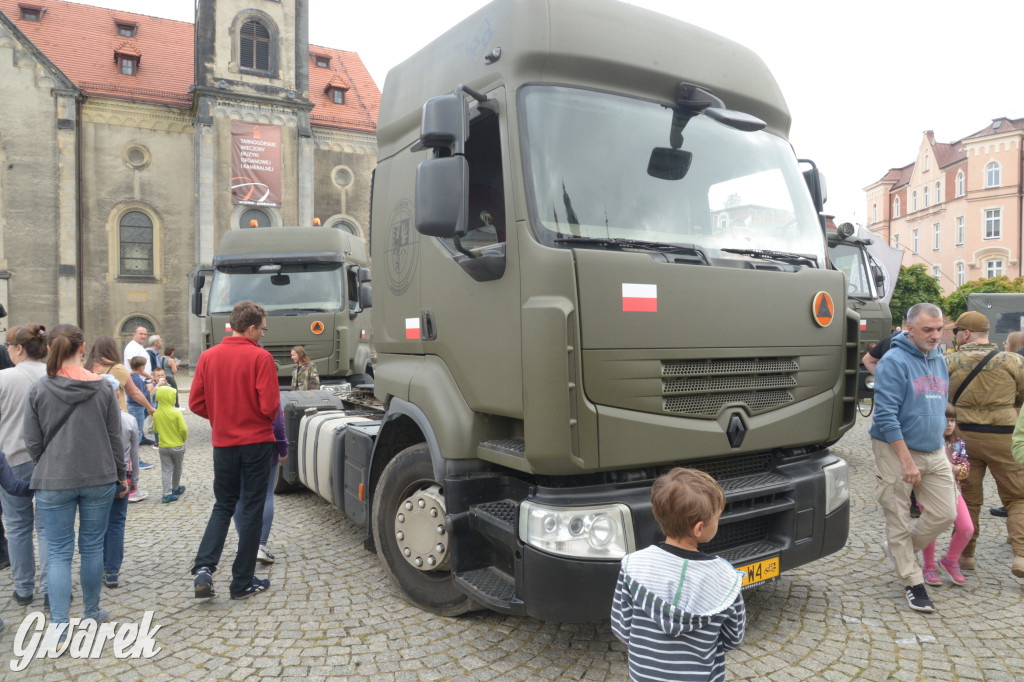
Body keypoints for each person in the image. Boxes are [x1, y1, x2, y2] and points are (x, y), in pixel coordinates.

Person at [24, 324, 125, 632]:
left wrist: (50, 464)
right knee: (92, 547)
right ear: (83, 348)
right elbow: (114, 436)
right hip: (99, 477)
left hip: (54, 479)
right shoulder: (104, 387)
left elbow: (32, 441)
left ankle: (58, 625)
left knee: (58, 552)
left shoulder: (40, 388)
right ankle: (91, 612)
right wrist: (121, 475)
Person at [611, 467, 744, 681]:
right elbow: (732, 638)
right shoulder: (726, 579)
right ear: (699, 528)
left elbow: (622, 627)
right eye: (717, 517)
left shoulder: (633, 566)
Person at [869, 302, 957, 612]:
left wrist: (944, 428)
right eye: (928, 330)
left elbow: (938, 400)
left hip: (932, 449)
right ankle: (912, 582)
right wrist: (906, 460)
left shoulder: (938, 357)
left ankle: (898, 548)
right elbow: (886, 415)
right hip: (896, 449)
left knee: (946, 513)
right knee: (898, 515)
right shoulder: (894, 360)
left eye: (940, 329)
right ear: (910, 330)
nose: (936, 336)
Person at [190, 300, 280, 600]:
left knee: (223, 505)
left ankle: (204, 568)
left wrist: (222, 417)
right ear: (252, 327)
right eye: (262, 329)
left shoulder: (208, 356)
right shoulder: (261, 358)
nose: (263, 335)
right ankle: (241, 581)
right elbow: (270, 407)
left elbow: (195, 403)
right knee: (252, 508)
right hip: (256, 442)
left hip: (224, 443)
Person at [945, 311, 1024, 578]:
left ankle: (965, 556)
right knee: (1018, 498)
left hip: (963, 437)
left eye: (957, 332)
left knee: (967, 498)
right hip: (1004, 437)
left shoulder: (950, 361)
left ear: (965, 334)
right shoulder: (1014, 361)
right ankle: (1022, 556)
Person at [0, 324, 49, 606]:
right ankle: (49, 587)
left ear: (19, 348)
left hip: (13, 459)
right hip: (48, 461)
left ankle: (23, 588)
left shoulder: (4, 378)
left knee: (18, 527)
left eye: (8, 346)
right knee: (47, 529)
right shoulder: (54, 375)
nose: (7, 351)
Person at [921, 404, 974, 586]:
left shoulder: (957, 444)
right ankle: (928, 566)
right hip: (929, 492)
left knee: (967, 528)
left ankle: (950, 560)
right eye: (945, 419)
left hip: (953, 491)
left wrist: (955, 468)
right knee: (931, 528)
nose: (949, 424)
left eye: (952, 420)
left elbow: (965, 468)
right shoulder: (926, 442)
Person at [234, 407, 287, 564]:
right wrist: (283, 448)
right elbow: (277, 423)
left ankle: (244, 544)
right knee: (266, 495)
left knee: (240, 497)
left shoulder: (232, 386)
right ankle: (260, 546)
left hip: (234, 445)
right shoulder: (265, 384)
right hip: (263, 446)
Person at [100, 373, 138, 589]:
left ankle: (96, 568)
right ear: (117, 393)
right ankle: (112, 571)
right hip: (121, 476)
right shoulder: (129, 420)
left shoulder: (92, 421)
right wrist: (134, 480)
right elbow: (134, 455)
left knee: (95, 525)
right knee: (116, 524)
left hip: (98, 478)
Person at [153, 383, 187, 503]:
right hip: (177, 445)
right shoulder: (176, 412)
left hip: (163, 447)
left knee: (166, 470)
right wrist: (184, 438)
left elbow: (155, 429)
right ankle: (176, 488)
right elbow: (183, 429)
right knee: (177, 467)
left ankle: (166, 493)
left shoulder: (156, 413)